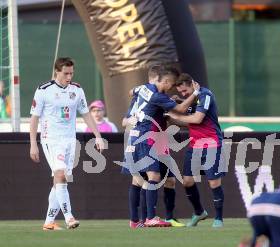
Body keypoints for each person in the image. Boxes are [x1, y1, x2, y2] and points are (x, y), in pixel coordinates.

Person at [29, 57, 104, 230]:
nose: (69, 77)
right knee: (60, 174)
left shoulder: (77, 90)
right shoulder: (43, 90)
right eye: (65, 73)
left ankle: (49, 222)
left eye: (71, 73)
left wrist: (98, 136)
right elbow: (34, 119)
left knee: (60, 181)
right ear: (57, 71)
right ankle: (69, 217)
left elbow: (86, 114)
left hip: (70, 140)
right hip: (51, 139)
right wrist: (33, 143)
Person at [121, 66, 199, 228]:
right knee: (152, 177)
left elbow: (131, 92)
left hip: (143, 137)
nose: (171, 88)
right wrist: (195, 94)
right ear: (166, 81)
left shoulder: (141, 89)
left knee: (145, 180)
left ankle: (137, 220)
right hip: (147, 137)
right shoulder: (157, 96)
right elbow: (181, 109)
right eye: (171, 84)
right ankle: (149, 218)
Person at [167, 73, 225, 228]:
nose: (183, 94)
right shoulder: (190, 100)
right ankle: (199, 212)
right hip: (194, 146)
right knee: (187, 182)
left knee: (214, 182)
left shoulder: (205, 95)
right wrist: (171, 119)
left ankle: (219, 218)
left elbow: (197, 119)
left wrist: (174, 114)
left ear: (192, 84)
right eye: (181, 92)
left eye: (185, 91)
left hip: (212, 144)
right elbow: (190, 124)